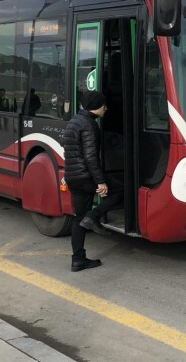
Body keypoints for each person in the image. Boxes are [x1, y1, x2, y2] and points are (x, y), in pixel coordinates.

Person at [62, 91, 122, 272]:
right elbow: (90, 158)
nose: (106, 108)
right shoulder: (90, 125)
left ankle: (78, 260)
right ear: (96, 106)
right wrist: (100, 181)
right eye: (104, 104)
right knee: (121, 190)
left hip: (72, 176)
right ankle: (93, 217)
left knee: (78, 219)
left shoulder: (74, 121)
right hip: (85, 177)